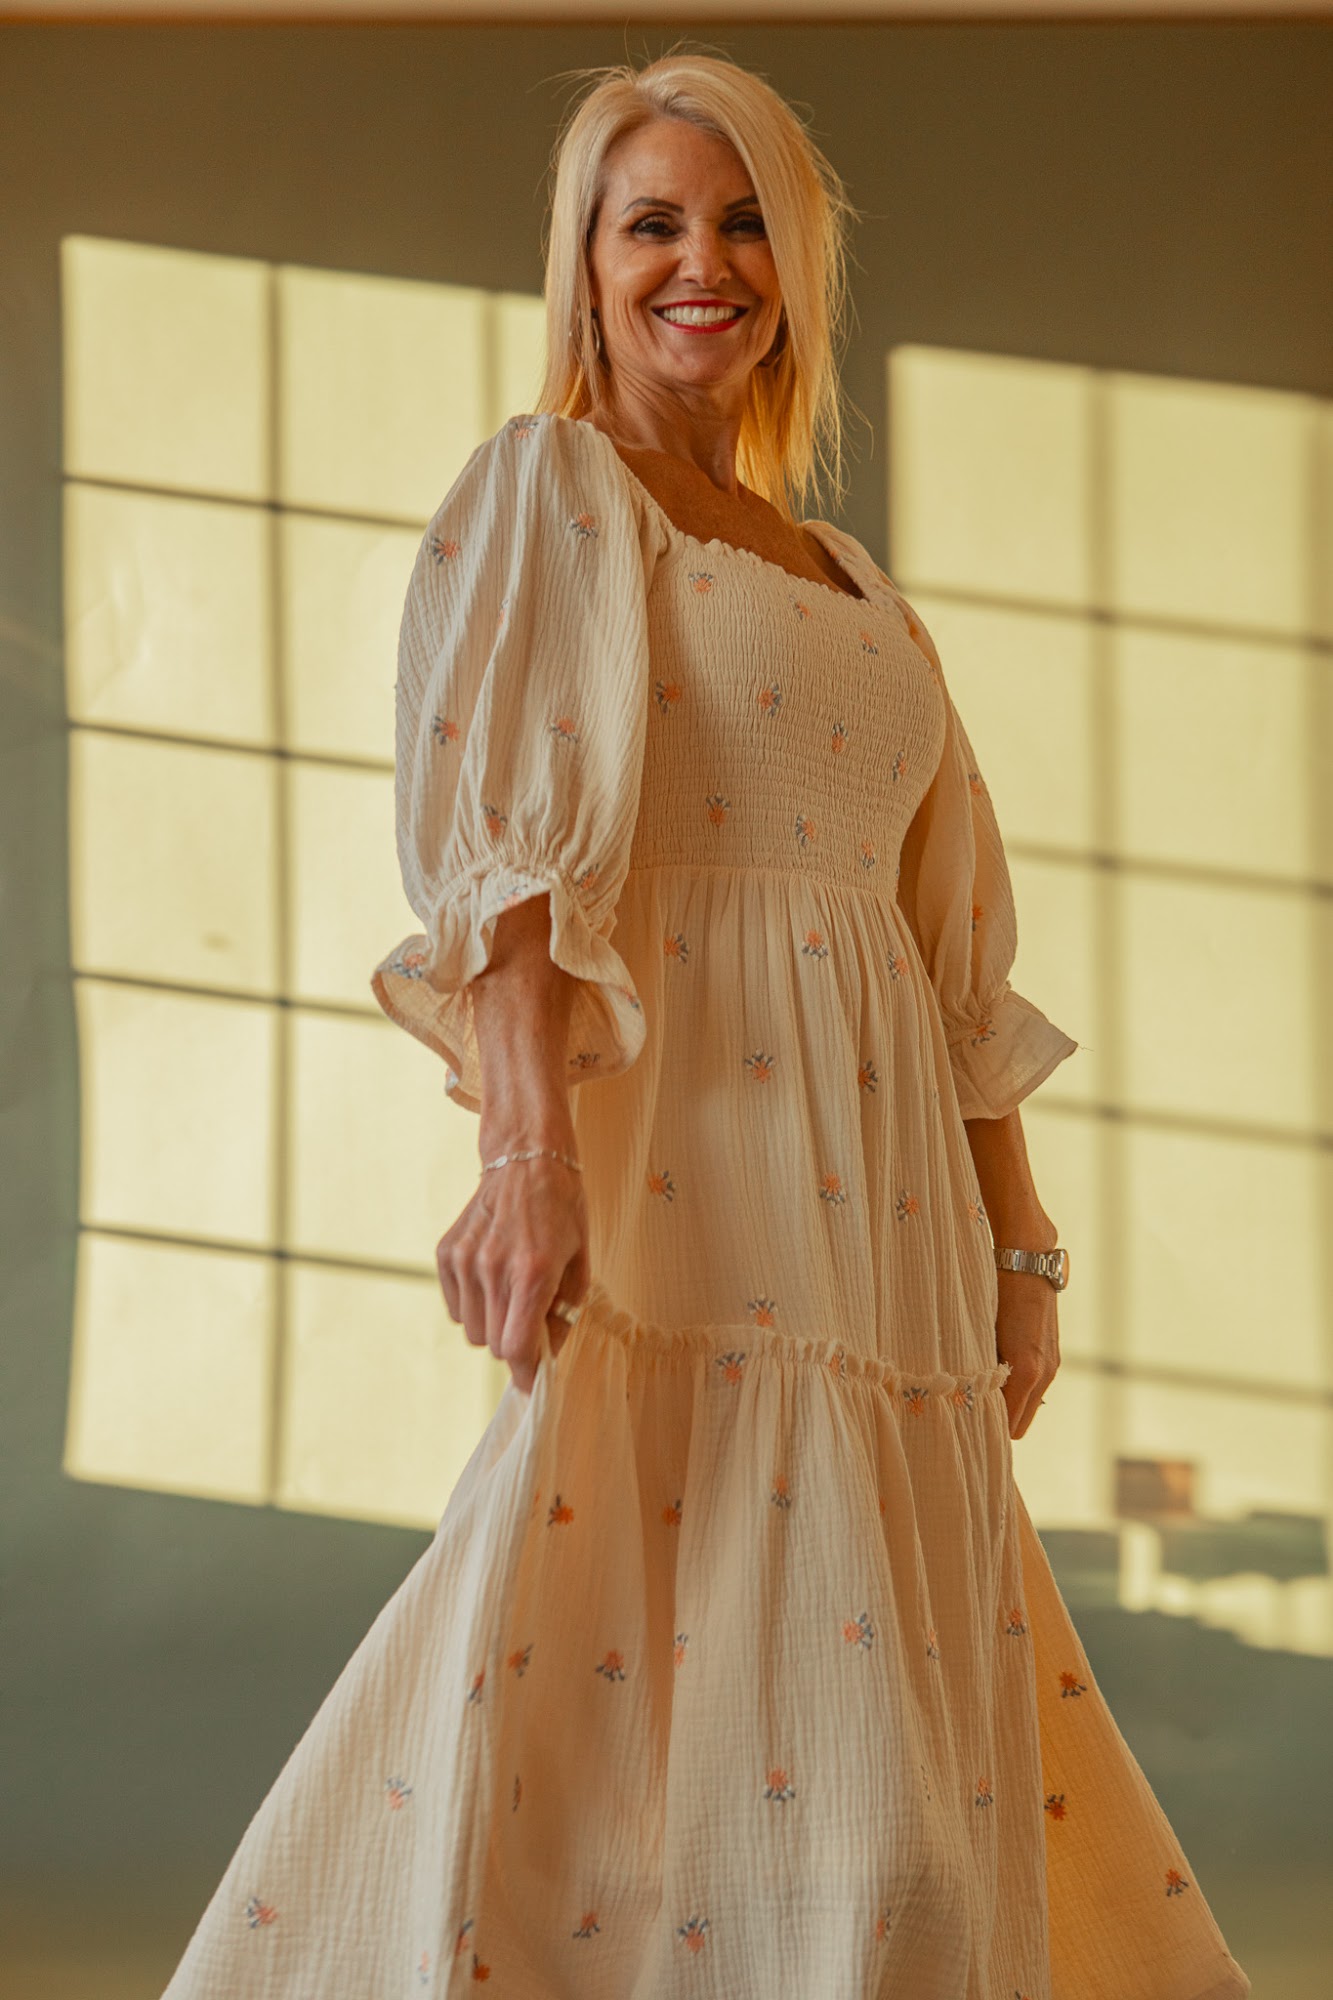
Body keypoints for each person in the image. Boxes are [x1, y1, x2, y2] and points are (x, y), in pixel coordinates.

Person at [160, 52, 1251, 2000]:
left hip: (890, 1244)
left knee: (889, 1771)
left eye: (744, 221)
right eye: (650, 221)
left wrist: (1017, 1241)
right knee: (671, 1748)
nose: (703, 261)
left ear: (798, 265)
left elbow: (942, 955)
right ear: (583, 263)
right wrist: (522, 1156)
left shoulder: (856, 585)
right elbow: (511, 875)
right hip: (689, 1204)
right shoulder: (551, 494)